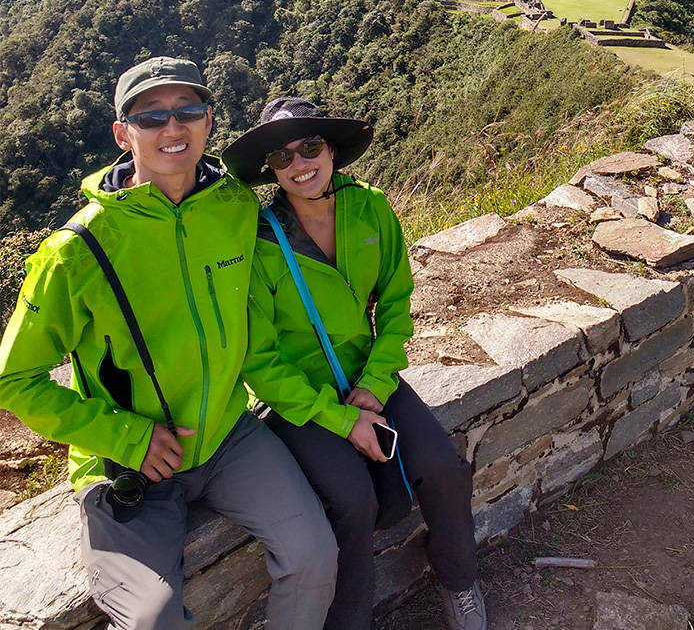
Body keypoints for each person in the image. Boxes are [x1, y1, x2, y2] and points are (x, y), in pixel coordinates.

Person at [0, 58, 338, 630]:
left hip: (228, 435)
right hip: (128, 462)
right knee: (151, 621)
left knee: (314, 555)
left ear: (209, 120)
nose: (172, 128)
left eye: (187, 111)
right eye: (151, 117)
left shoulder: (234, 207)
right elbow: (13, 378)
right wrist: (126, 438)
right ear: (122, 133)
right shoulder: (79, 248)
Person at [223, 97, 486, 630]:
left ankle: (459, 577)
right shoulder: (260, 242)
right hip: (300, 397)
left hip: (367, 373)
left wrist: (375, 382)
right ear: (270, 169)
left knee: (442, 467)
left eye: (310, 146)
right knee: (352, 500)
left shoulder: (370, 208)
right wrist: (344, 419)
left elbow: (395, 302)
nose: (300, 164)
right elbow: (261, 361)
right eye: (282, 156)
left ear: (331, 149)